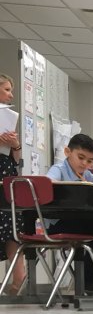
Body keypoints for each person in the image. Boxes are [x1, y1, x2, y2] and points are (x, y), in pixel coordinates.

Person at [0, 73, 26, 294]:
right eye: (7, 89)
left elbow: (17, 161)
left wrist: (15, 144)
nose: (11, 94)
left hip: (6, 176)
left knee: (11, 227)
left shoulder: (9, 117)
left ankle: (18, 279)